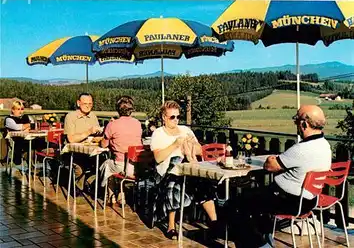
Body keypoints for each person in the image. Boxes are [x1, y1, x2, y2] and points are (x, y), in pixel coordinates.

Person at [226, 105, 332, 248]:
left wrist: (273, 160)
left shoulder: (302, 149)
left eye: (296, 119)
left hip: (289, 201)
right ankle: (264, 237)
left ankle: (261, 245)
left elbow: (270, 166)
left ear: (304, 124)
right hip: (309, 199)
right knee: (254, 199)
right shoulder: (325, 146)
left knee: (235, 205)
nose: (295, 123)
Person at [150, 100, 218, 240]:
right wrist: (175, 144)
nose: (175, 120)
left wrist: (192, 143)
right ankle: (171, 225)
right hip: (167, 171)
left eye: (178, 117)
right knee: (175, 184)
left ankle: (214, 223)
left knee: (203, 184)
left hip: (188, 167)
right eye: (172, 117)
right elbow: (158, 158)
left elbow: (200, 151)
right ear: (164, 117)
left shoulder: (185, 130)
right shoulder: (158, 133)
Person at [100, 96, 142, 202]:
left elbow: (103, 145)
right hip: (137, 165)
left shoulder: (112, 125)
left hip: (122, 166)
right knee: (114, 166)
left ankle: (111, 195)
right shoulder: (137, 123)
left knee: (106, 165)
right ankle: (121, 193)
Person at [64, 93, 101, 190]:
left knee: (104, 163)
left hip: (90, 151)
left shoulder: (93, 116)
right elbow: (71, 139)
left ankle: (92, 185)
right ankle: (78, 189)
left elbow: (96, 137)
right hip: (74, 152)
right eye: (85, 103)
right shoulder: (71, 117)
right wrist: (89, 132)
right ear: (78, 103)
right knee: (80, 168)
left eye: (90, 104)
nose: (88, 106)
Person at [5, 100, 31, 165]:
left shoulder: (24, 117)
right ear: (13, 110)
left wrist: (26, 127)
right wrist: (27, 126)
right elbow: (17, 127)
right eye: (18, 109)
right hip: (15, 141)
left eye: (21, 109)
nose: (20, 111)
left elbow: (31, 125)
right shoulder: (9, 119)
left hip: (26, 139)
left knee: (41, 141)